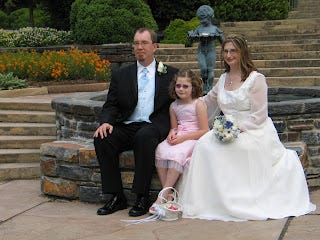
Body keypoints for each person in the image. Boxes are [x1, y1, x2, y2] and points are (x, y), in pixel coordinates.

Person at [178, 34, 316, 221]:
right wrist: (185, 104)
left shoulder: (256, 79)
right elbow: (207, 102)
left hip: (253, 129)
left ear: (242, 52)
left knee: (242, 147)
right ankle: (212, 201)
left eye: (233, 50)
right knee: (203, 145)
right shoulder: (224, 78)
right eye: (225, 51)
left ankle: (241, 200)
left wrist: (236, 128)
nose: (229, 55)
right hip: (225, 128)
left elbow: (260, 115)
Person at [93, 28, 178, 217]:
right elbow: (111, 104)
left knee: (145, 136)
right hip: (127, 125)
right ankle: (116, 196)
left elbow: (180, 102)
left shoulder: (170, 73)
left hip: (153, 126)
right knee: (102, 138)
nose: (139, 47)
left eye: (144, 43)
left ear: (154, 47)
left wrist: (177, 128)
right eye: (136, 43)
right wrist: (106, 121)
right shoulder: (121, 75)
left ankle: (142, 196)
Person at [149, 69, 209, 214]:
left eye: (185, 86)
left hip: (193, 137)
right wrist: (172, 133)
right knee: (161, 149)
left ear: (193, 87)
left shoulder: (198, 104)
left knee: (178, 153)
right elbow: (174, 127)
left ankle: (161, 197)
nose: (181, 89)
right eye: (178, 86)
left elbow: (205, 130)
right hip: (180, 135)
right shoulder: (174, 106)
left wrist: (182, 138)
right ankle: (168, 195)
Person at [187, 5, 224, 94]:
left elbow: (223, 41)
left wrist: (223, 42)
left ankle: (210, 87)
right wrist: (190, 36)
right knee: (203, 69)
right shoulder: (199, 28)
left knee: (210, 69)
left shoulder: (215, 29)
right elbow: (191, 41)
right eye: (201, 18)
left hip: (211, 50)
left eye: (204, 18)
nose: (202, 20)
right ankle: (205, 83)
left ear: (210, 17)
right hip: (201, 51)